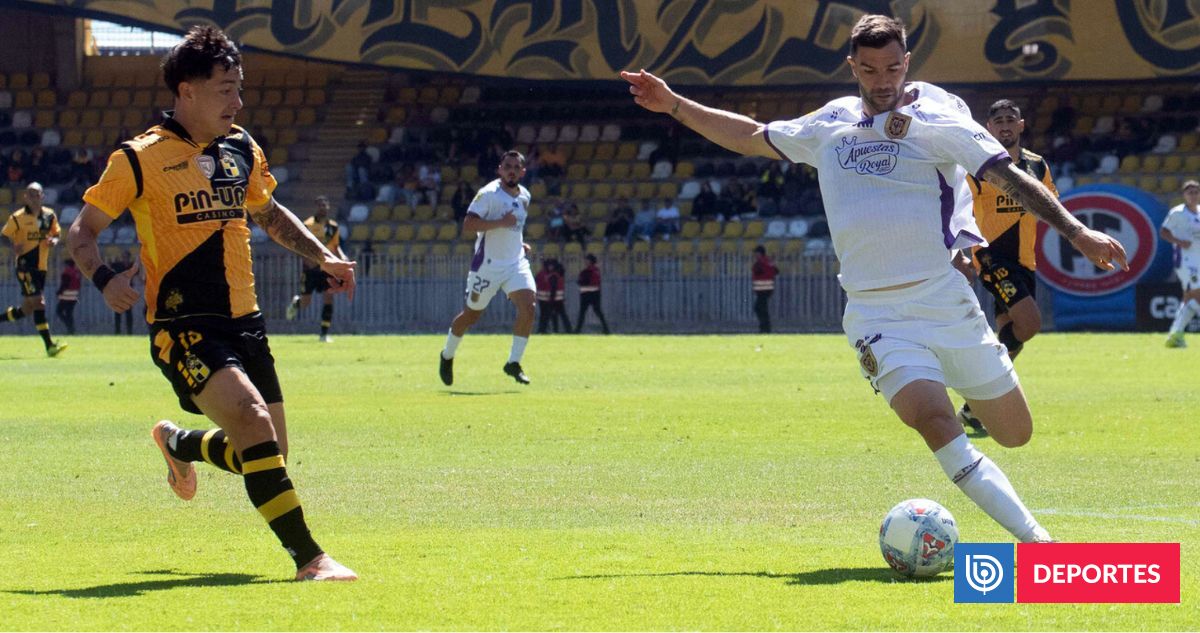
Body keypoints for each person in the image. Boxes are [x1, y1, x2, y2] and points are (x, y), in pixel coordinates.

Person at [621, 14, 1127, 544]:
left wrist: (1076, 233)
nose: (882, 80)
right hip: (875, 313)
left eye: (891, 67)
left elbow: (1008, 175)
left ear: (906, 63)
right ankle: (1039, 544)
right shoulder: (829, 123)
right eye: (868, 69)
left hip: (943, 299)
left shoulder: (940, 117)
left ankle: (980, 408)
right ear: (852, 67)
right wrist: (675, 104)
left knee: (1014, 433)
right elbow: (752, 135)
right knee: (934, 420)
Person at [67, 26, 358, 581]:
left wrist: (324, 257)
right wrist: (104, 278)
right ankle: (311, 558)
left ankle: (179, 441)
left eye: (239, 88)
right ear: (187, 91)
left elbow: (268, 213)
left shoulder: (241, 147)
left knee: (268, 449)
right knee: (252, 424)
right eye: (226, 88)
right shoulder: (137, 158)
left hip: (245, 320)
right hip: (183, 324)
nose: (238, 101)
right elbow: (82, 230)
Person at [955, 99, 1057, 431]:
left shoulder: (1037, 166)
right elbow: (958, 209)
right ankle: (977, 393)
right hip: (991, 256)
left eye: (1010, 119)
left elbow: (1050, 204)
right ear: (988, 128)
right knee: (1029, 323)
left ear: (1022, 125)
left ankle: (973, 407)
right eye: (997, 119)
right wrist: (961, 253)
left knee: (1009, 339)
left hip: (1024, 260)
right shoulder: (978, 166)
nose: (1004, 125)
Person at [439, 150, 536, 386]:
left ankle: (513, 362)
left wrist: (519, 243)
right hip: (487, 266)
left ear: (523, 172)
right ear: (499, 170)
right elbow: (469, 224)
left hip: (515, 263)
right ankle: (447, 355)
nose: (511, 170)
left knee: (529, 306)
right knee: (471, 315)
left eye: (516, 167)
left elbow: (515, 227)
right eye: (507, 166)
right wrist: (500, 223)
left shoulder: (525, 196)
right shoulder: (488, 194)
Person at [2, 182, 67, 356]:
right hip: (25, 266)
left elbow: (57, 234)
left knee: (27, 309)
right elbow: (4, 236)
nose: (33, 197)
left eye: (36, 194)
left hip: (42, 267)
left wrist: (54, 241)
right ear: (25, 197)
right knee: (39, 302)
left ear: (42, 196)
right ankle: (50, 346)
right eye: (30, 194)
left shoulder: (49, 215)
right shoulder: (18, 217)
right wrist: (12, 246)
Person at [285, 195, 346, 342]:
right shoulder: (308, 225)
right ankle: (296, 303)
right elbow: (301, 246)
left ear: (328, 207)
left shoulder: (333, 226)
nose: (323, 208)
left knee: (329, 298)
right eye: (320, 205)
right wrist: (307, 260)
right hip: (311, 269)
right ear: (316, 207)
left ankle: (324, 334)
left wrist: (343, 258)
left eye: (325, 205)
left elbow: (335, 246)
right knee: (306, 303)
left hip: (326, 269)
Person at [1160, 179, 1200, 347]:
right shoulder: (1177, 213)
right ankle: (1175, 335)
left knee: (1189, 298)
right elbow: (1163, 232)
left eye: (1196, 192)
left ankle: (1175, 335)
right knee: (1196, 294)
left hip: (1198, 259)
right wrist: (1178, 241)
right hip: (1185, 260)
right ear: (1184, 195)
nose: (1193, 195)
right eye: (1189, 192)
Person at [575, 254, 611, 334]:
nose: (585, 261)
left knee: (584, 312)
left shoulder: (588, 271)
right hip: (594, 293)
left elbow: (583, 281)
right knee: (596, 312)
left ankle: (577, 330)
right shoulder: (595, 270)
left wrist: (580, 281)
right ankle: (606, 329)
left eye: (587, 260)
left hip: (588, 294)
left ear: (591, 261)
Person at [751, 245, 779, 333]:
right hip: (766, 288)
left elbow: (757, 271)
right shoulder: (768, 261)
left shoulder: (762, 262)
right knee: (761, 308)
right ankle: (765, 327)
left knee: (759, 308)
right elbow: (776, 271)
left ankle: (764, 328)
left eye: (756, 253)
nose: (755, 255)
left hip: (763, 289)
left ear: (760, 253)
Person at [111, 250, 138, 334]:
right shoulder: (118, 265)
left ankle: (129, 331)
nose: (124, 259)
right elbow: (109, 267)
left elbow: (137, 271)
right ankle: (117, 331)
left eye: (126, 257)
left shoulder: (131, 265)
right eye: (123, 257)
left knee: (129, 312)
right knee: (118, 311)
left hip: (129, 291)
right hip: (119, 291)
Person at [56, 258, 81, 334]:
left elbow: (65, 284)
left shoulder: (67, 272)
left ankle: (69, 326)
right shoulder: (77, 272)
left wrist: (59, 292)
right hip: (74, 295)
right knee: (69, 313)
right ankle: (71, 329)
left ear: (67, 265)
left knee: (59, 311)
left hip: (66, 295)